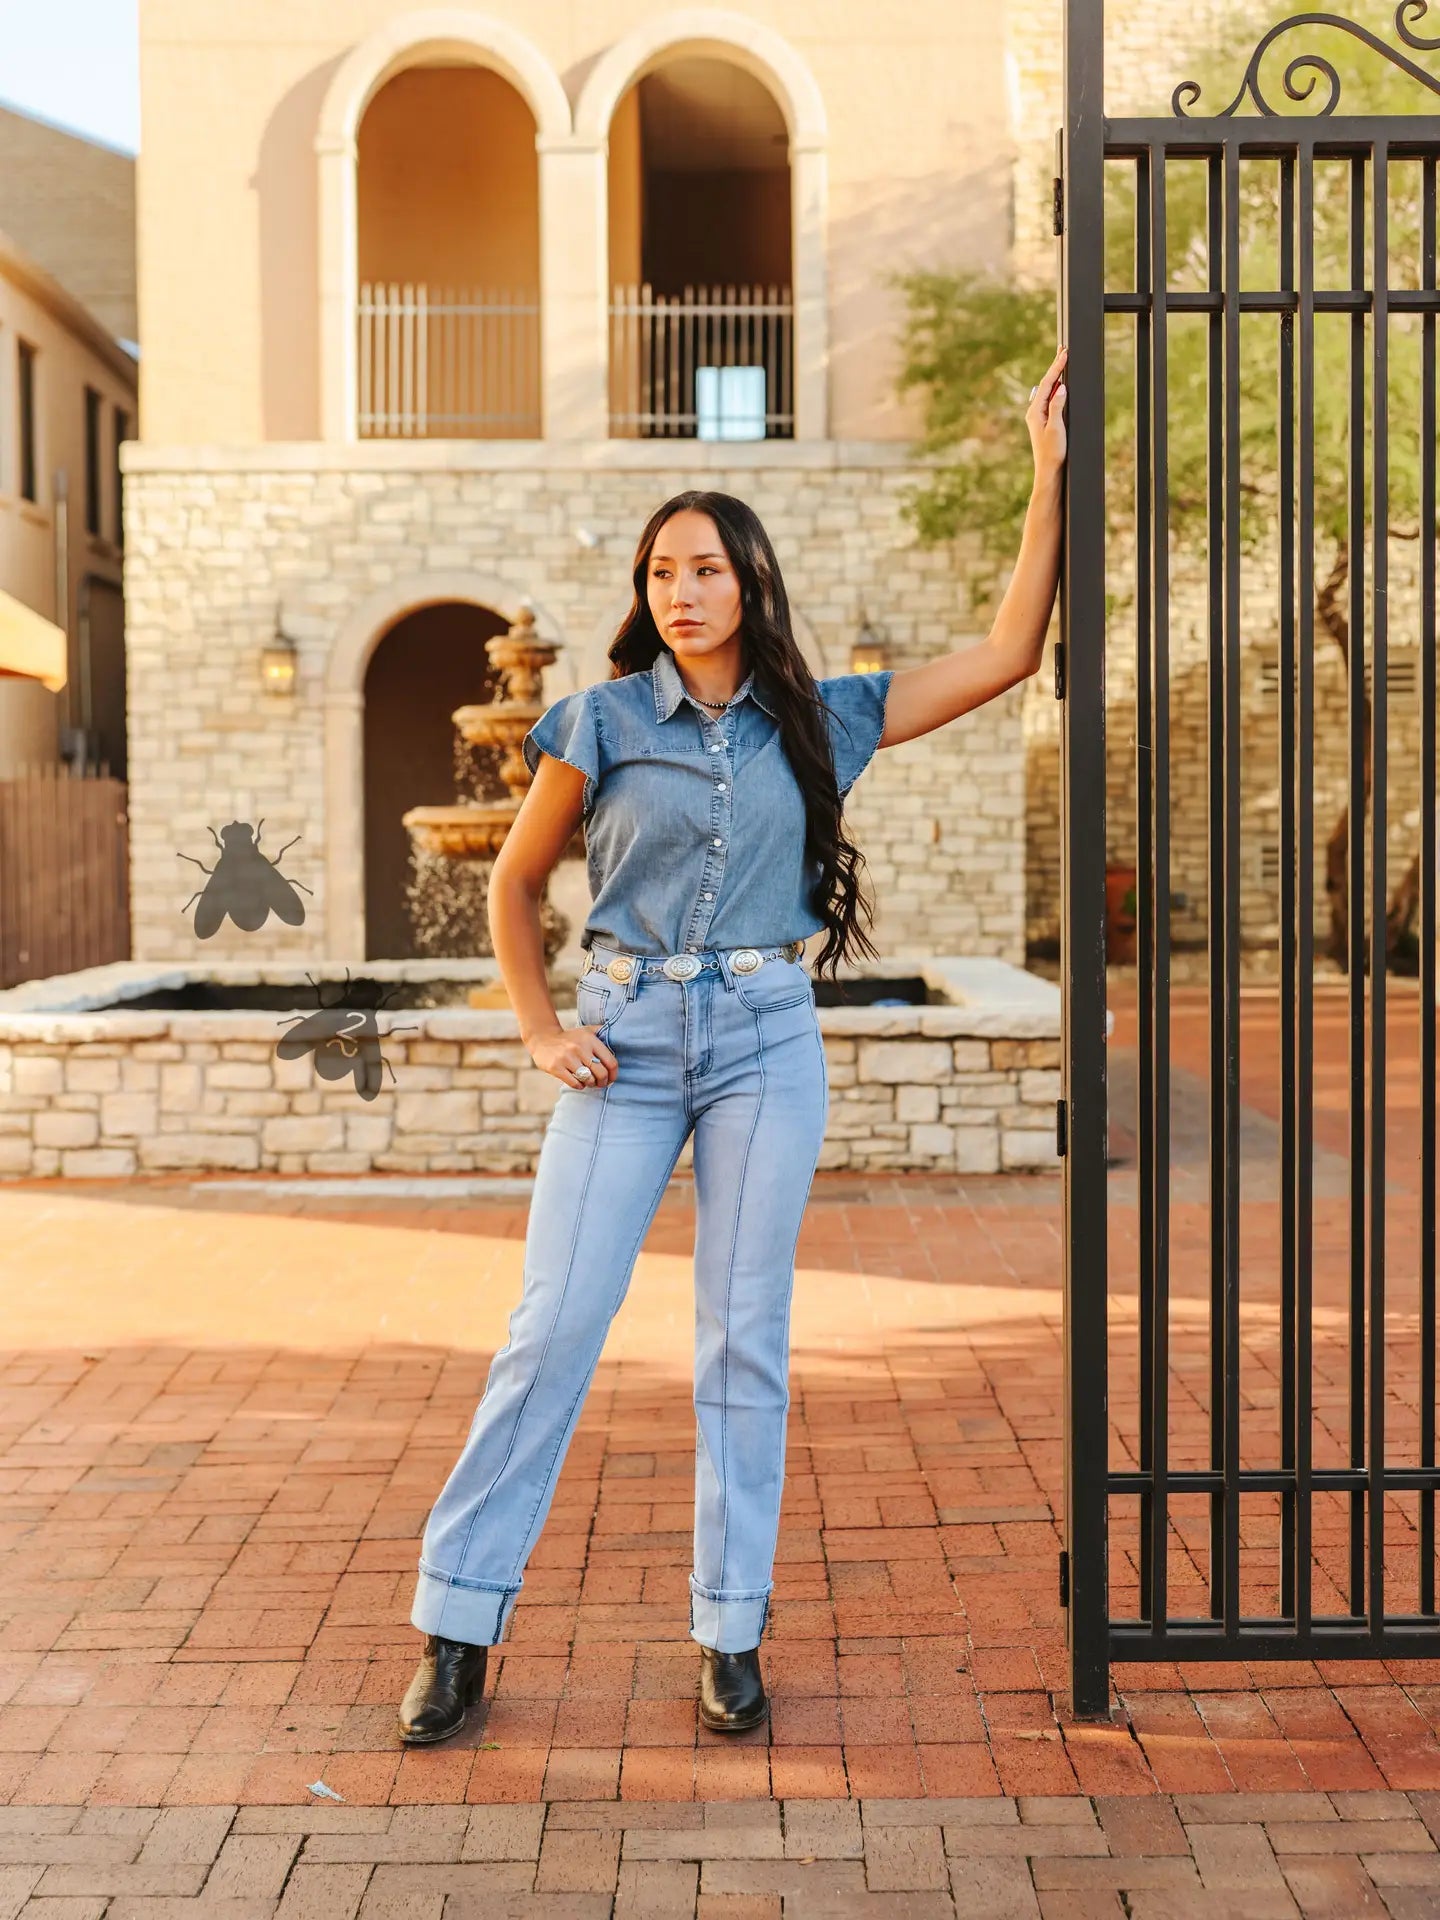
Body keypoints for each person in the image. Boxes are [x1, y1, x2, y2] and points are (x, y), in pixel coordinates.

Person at [397, 347, 1070, 1744]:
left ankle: (728, 1628)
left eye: (702, 567)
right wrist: (539, 1030)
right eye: (660, 574)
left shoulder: (826, 718)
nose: (680, 591)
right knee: (555, 1330)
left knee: (740, 1341)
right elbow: (516, 883)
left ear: (747, 582)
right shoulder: (598, 719)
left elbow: (1009, 655)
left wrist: (1047, 474)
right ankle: (457, 1621)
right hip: (629, 1037)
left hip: (768, 1034)